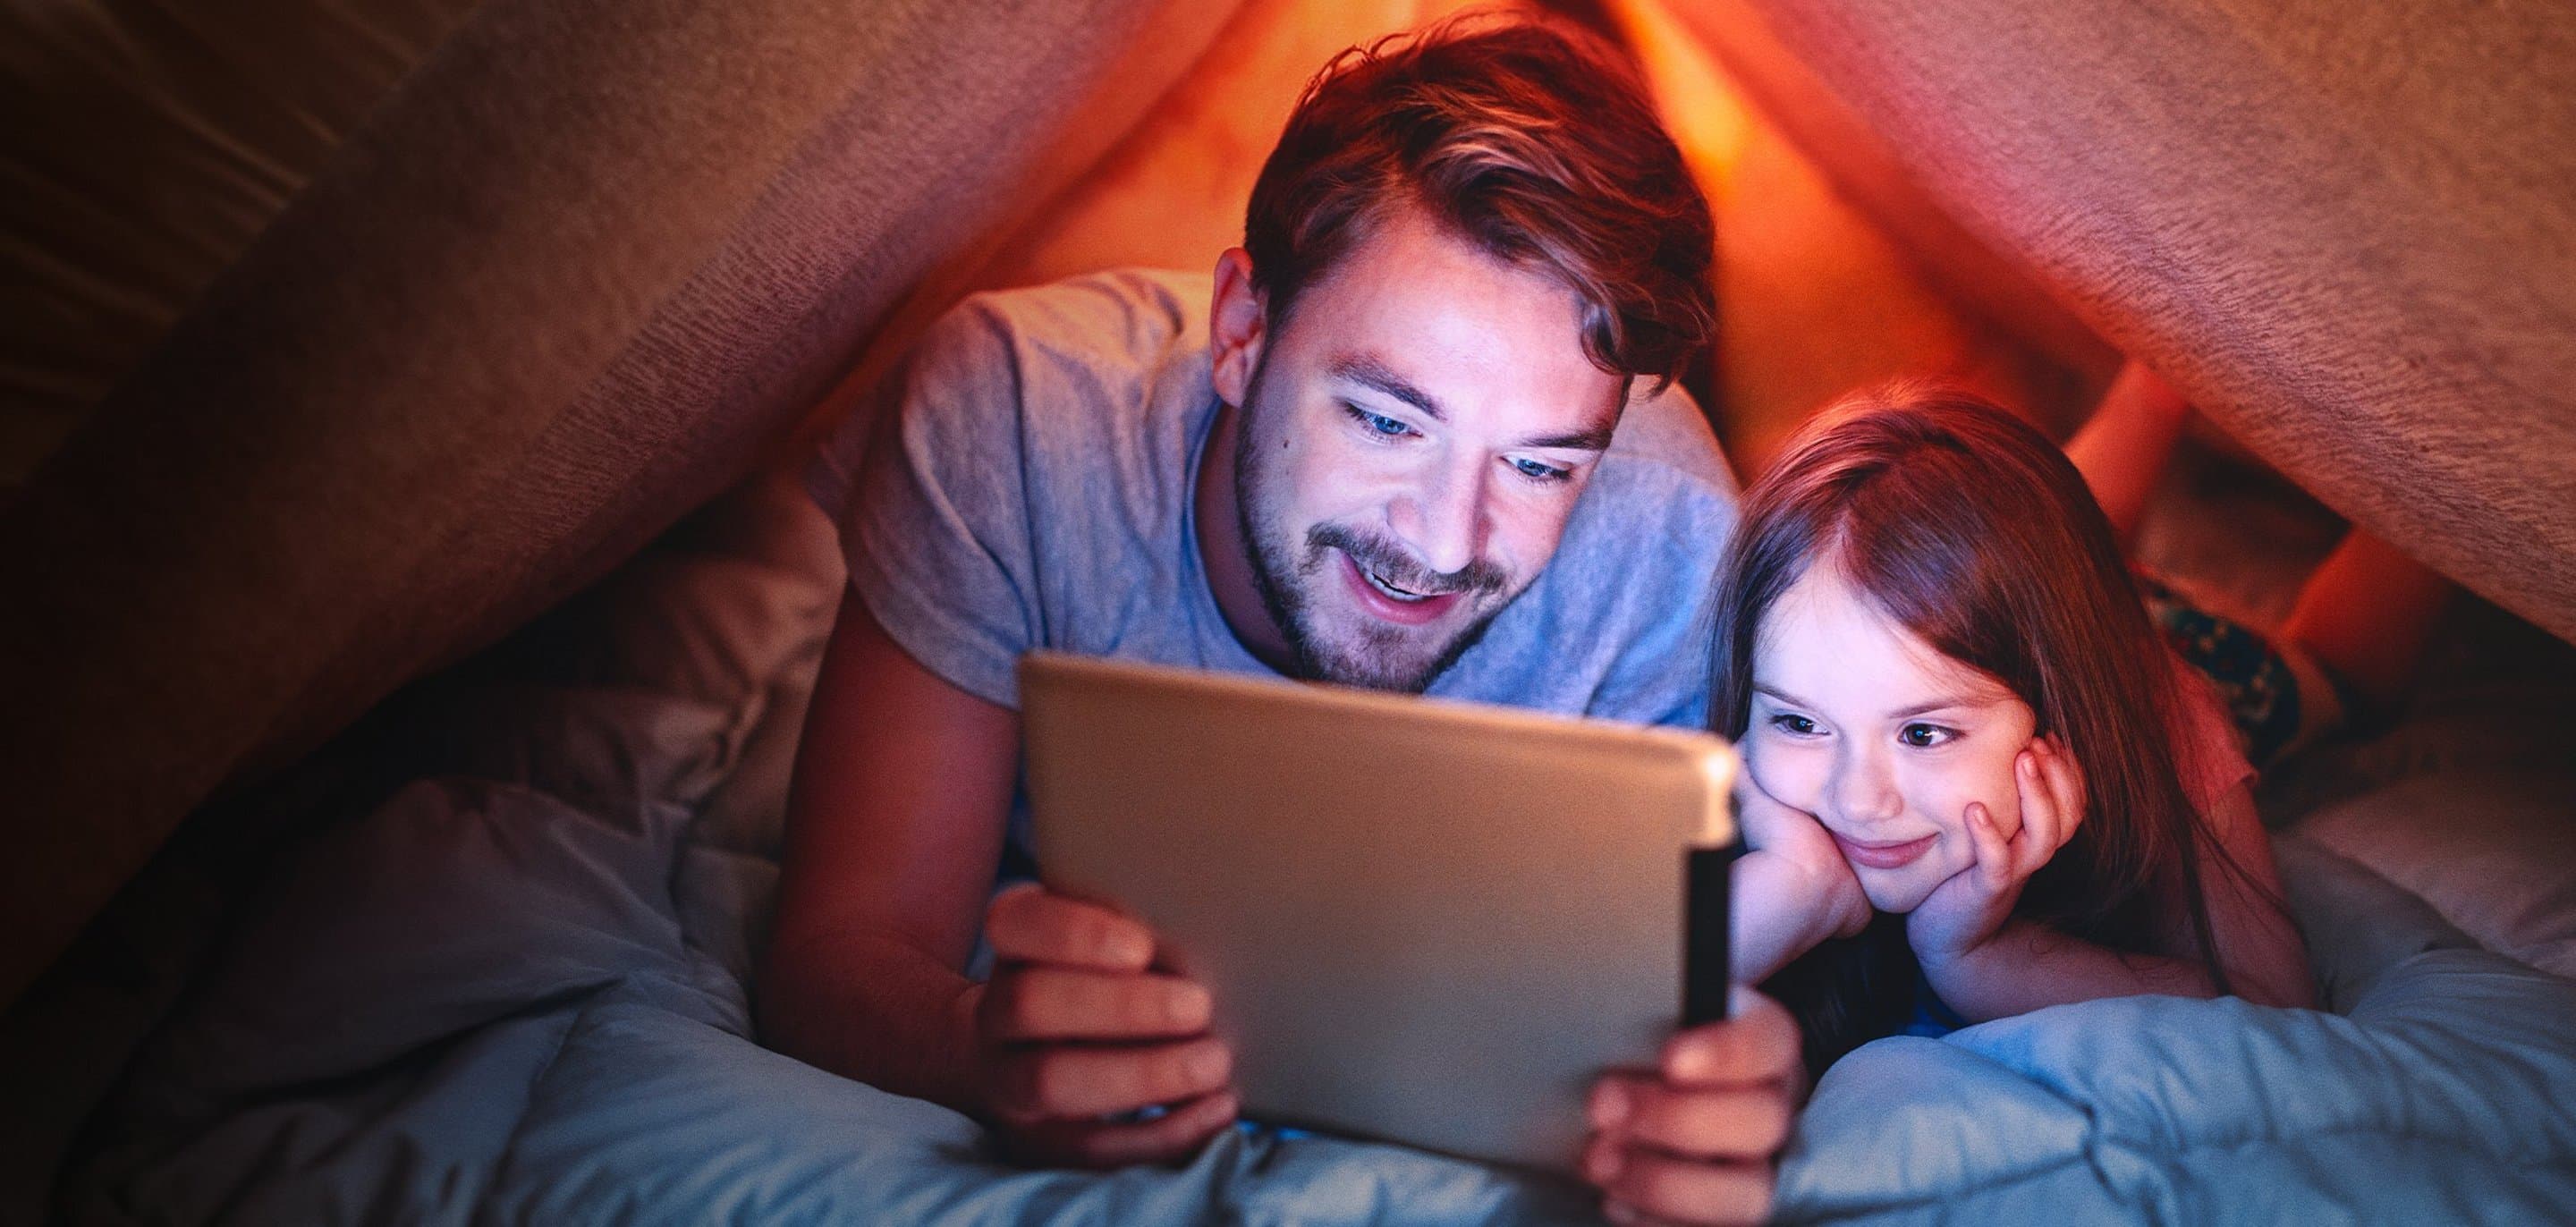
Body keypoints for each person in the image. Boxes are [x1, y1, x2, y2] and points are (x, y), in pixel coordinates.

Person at [760, 16, 1798, 1222]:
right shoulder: (1014, 419)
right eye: (1388, 422)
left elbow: (1672, 1023)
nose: (1441, 541)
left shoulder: (1676, 548)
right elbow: (839, 953)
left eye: (1538, 467)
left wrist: (1711, 1098)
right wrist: (972, 1049)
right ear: (1244, 334)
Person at [1719, 385, 2317, 1073]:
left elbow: (2278, 1006)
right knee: (2075, 547)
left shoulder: (2165, 713)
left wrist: (1974, 956)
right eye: (1798, 722)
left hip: (2191, 650)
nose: (1858, 802)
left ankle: (2164, 380)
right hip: (2044, 604)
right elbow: (1599, 1026)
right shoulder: (1783, 679)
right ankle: (2150, 392)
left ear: (2057, 712)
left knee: (2341, 671)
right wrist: (1795, 883)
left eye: (1923, 734)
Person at [2066, 360, 2454, 768]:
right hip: (2235, 693)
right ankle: (2442, 472)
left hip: (2068, 603)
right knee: (2338, 668)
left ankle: (2160, 379)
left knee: (2059, 535)